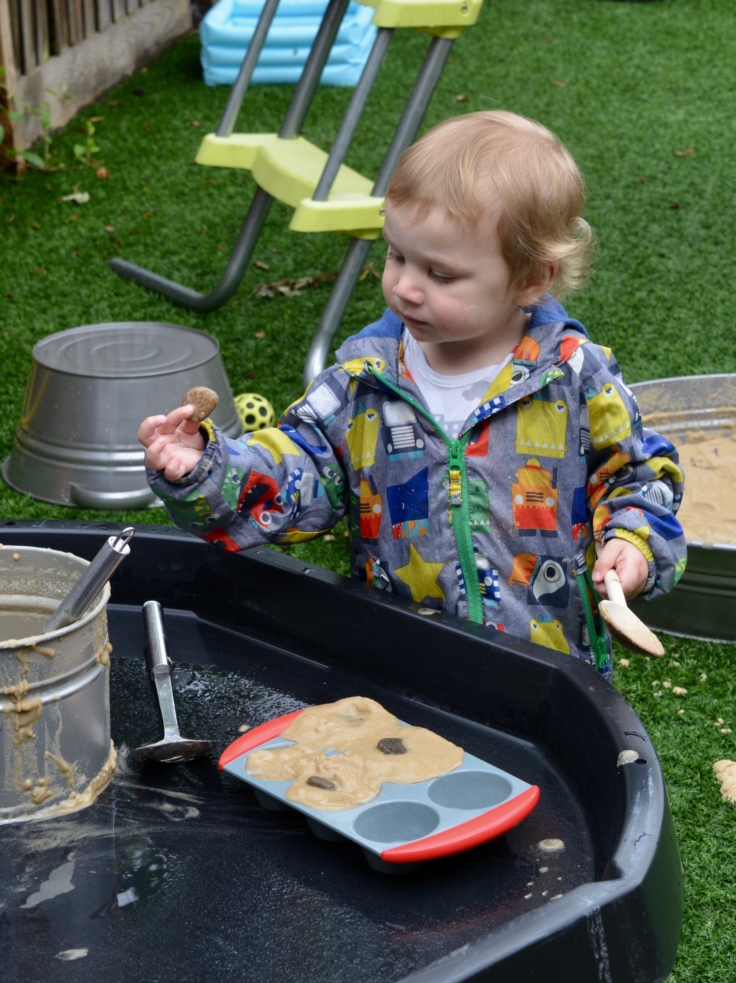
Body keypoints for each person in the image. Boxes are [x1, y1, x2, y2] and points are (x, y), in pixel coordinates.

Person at [138, 110, 686, 676]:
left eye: (440, 274)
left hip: (549, 671)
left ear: (531, 279)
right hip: (400, 664)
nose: (404, 286)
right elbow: (295, 475)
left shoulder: (573, 379)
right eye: (397, 255)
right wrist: (206, 466)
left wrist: (633, 542)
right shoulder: (362, 383)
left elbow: (638, 477)